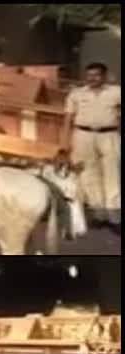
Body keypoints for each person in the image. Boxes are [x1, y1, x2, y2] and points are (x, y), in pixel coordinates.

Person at [64, 62, 121, 235]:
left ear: (104, 76)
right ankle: (99, 214)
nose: (92, 78)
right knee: (88, 175)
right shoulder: (76, 94)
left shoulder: (116, 92)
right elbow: (68, 118)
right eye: (89, 75)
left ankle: (114, 217)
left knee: (113, 174)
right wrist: (64, 143)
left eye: (96, 75)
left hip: (109, 136)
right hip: (83, 136)